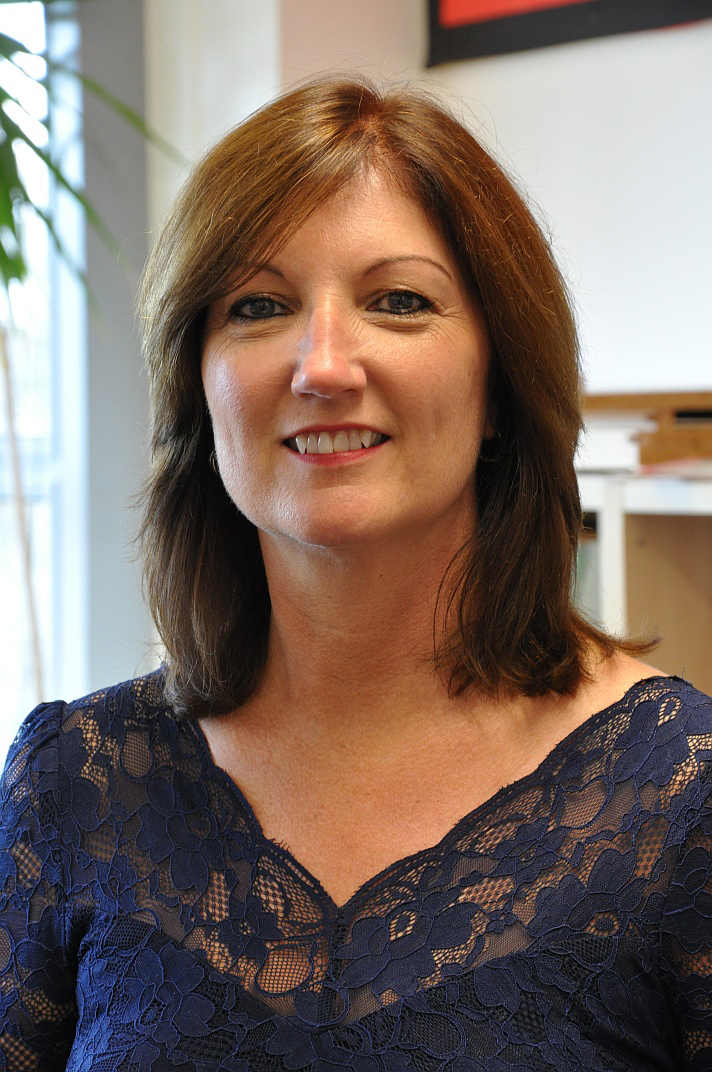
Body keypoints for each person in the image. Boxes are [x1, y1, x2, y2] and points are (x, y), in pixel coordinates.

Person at [1, 77, 710, 1072]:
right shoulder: (74, 782)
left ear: (501, 384)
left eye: (399, 301)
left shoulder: (679, 793)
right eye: (258, 305)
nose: (322, 364)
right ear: (196, 389)